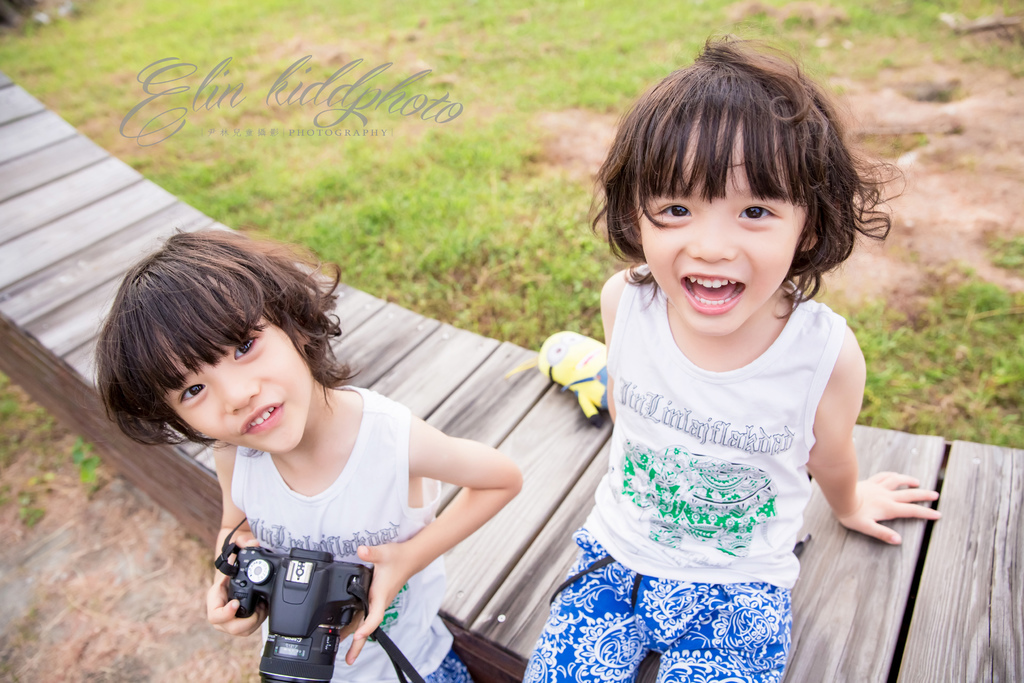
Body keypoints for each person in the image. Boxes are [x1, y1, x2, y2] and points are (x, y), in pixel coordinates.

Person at [525, 38, 941, 683]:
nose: (711, 246)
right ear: (636, 215)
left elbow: (827, 453)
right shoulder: (625, 305)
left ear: (809, 224)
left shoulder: (823, 355)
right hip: (616, 559)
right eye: (675, 209)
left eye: (754, 211)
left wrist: (851, 500)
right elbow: (634, 393)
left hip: (739, 587)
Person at [96, 229, 522, 683]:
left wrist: (411, 556)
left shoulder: (387, 439)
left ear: (291, 324)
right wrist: (231, 581)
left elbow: (502, 478)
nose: (238, 396)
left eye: (244, 346)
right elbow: (234, 527)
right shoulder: (234, 453)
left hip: (407, 665)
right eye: (194, 389)